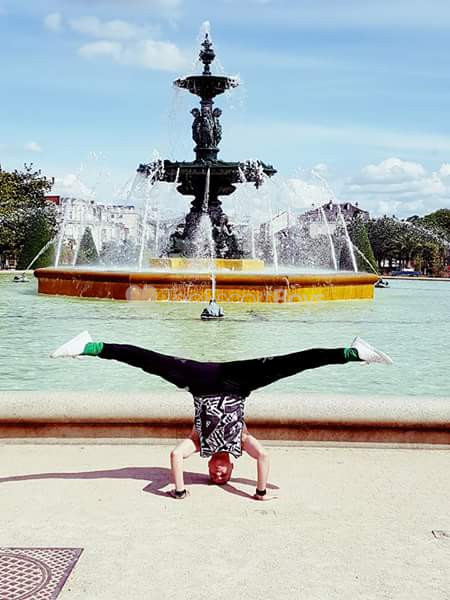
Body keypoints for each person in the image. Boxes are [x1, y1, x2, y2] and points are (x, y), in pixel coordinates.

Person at [50, 332, 393, 500]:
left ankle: (89, 346)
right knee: (294, 362)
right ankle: (353, 352)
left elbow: (175, 457)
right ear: (231, 469)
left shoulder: (199, 444)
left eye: (214, 475)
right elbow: (264, 457)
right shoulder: (241, 442)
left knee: (148, 360)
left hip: (199, 381)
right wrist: (260, 491)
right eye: (223, 475)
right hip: (240, 382)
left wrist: (179, 491)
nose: (217, 472)